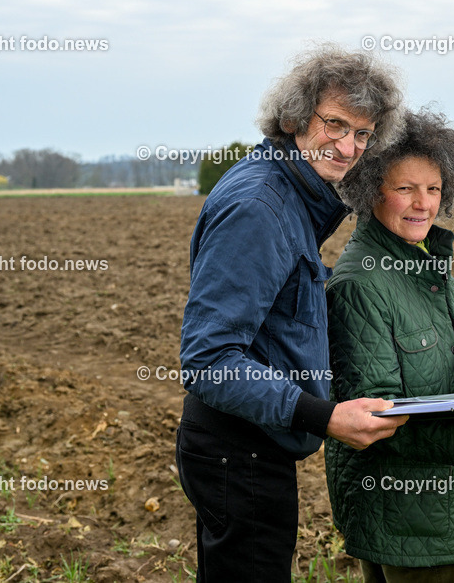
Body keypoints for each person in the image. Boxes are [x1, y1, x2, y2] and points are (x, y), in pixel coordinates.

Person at [175, 44, 410, 582]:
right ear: (295, 117)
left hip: (252, 449)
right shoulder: (261, 207)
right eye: (335, 124)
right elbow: (209, 360)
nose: (348, 146)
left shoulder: (292, 194)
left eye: (363, 134)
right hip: (239, 452)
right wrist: (324, 417)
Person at [325, 110, 454, 583]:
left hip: (425, 505)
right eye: (405, 189)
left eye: (433, 189)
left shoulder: (415, 262)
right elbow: (373, 418)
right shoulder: (361, 284)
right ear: (369, 188)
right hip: (399, 508)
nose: (423, 204)